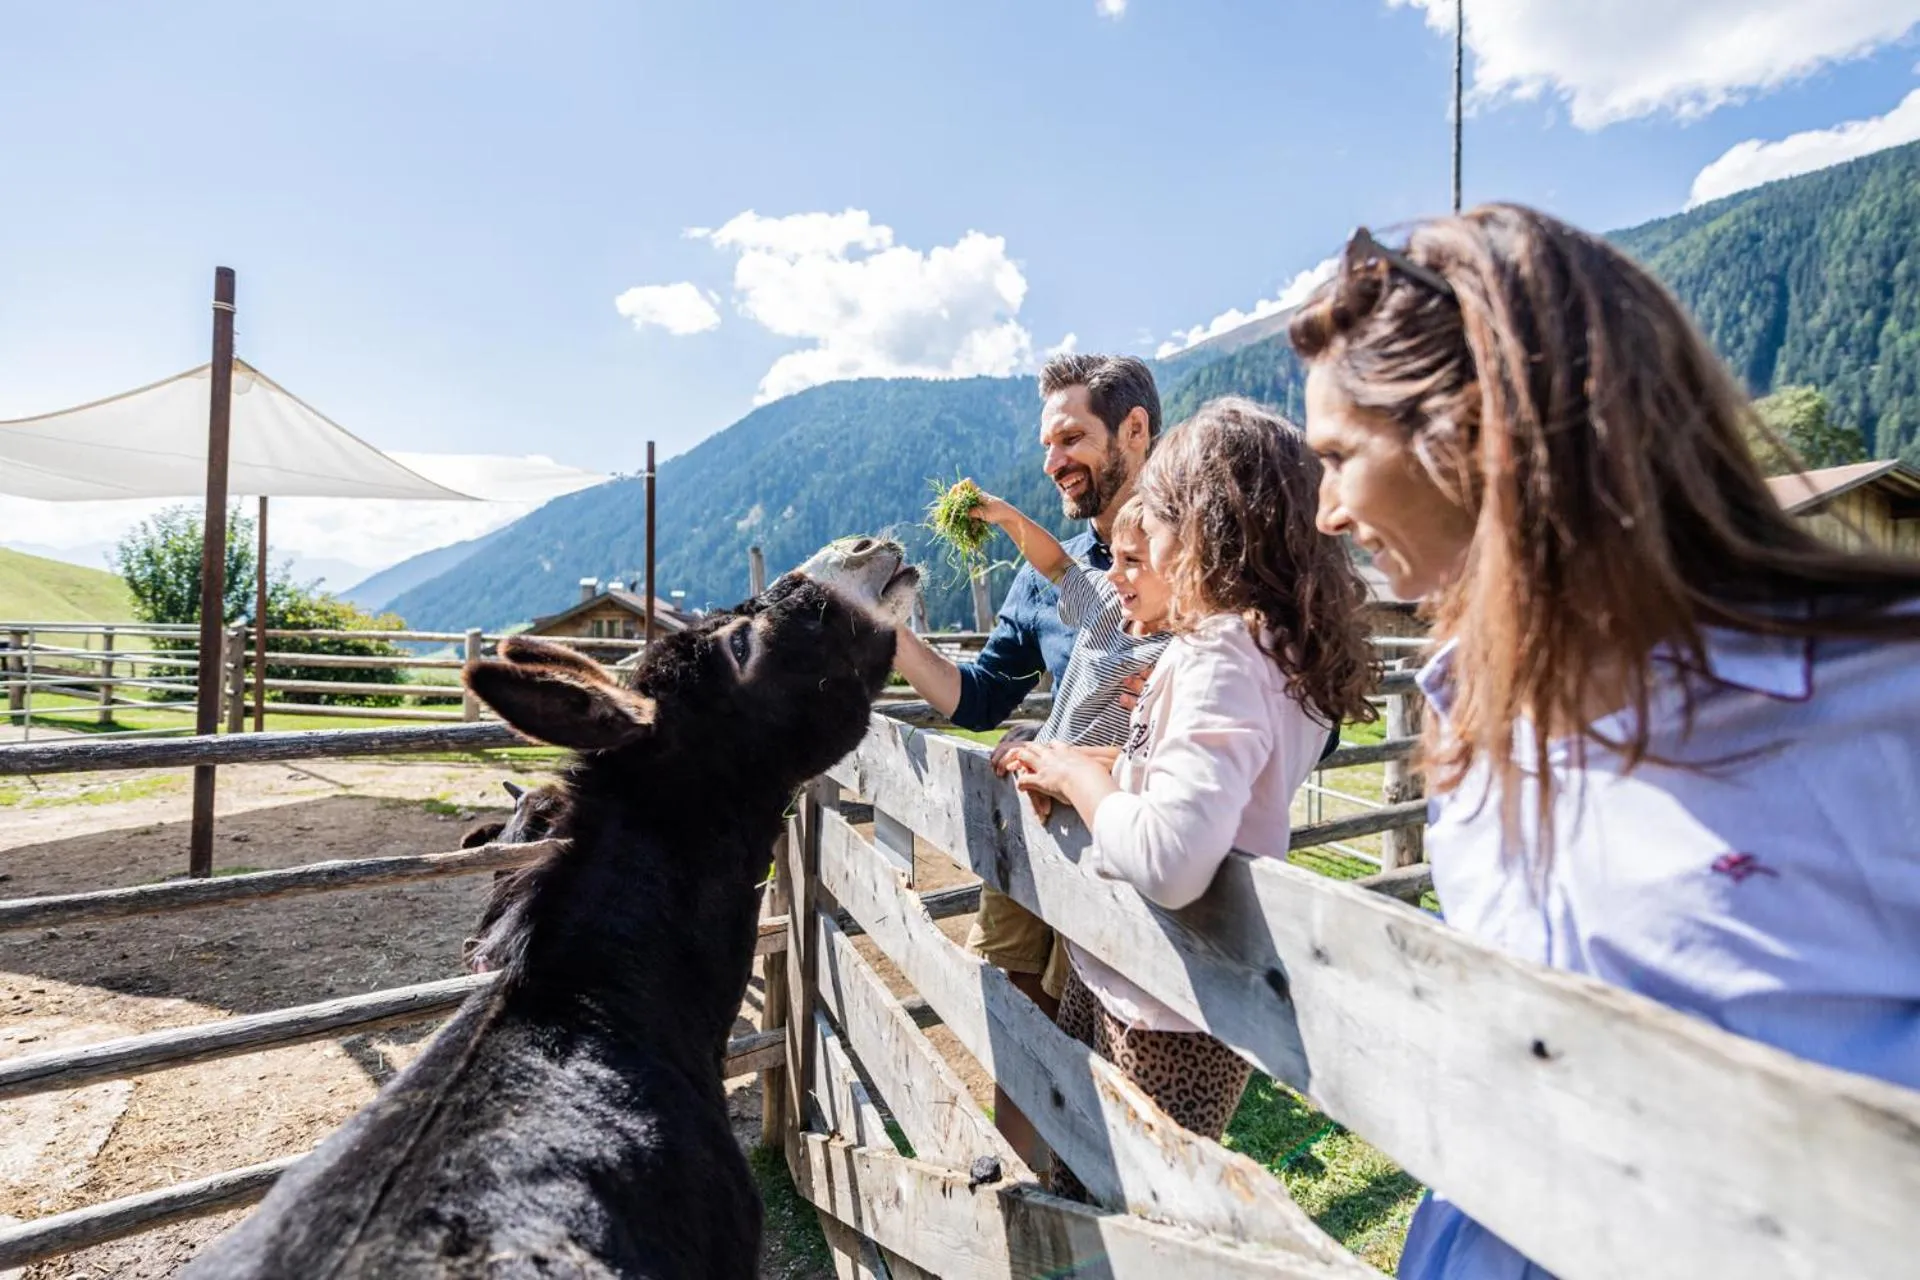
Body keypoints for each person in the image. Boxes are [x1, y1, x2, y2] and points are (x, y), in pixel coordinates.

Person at [1289, 205, 1920, 1279]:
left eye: (1339, 456)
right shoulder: (1471, 714)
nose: (1326, 513)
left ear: (1478, 432)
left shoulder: (1882, 697)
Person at [1004, 397, 1378, 1198]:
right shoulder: (1271, 647)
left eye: (1162, 515)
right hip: (1134, 977)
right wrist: (1099, 761)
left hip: (1162, 1010)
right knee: (1085, 1192)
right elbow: (1214, 782)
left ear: (1204, 527)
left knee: (1112, 1215)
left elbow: (1172, 861)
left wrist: (1081, 780)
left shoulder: (1223, 653)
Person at [889, 351, 1161, 1169]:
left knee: (1112, 1038)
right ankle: (1016, 1177)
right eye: (1047, 444)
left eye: (1071, 438)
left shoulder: (1204, 567)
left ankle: (1095, 1189)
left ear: (1135, 430)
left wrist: (1161, 717)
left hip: (1129, 853)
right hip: (1040, 833)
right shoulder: (1070, 580)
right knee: (1018, 999)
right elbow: (980, 699)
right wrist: (885, 633)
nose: (1053, 462)